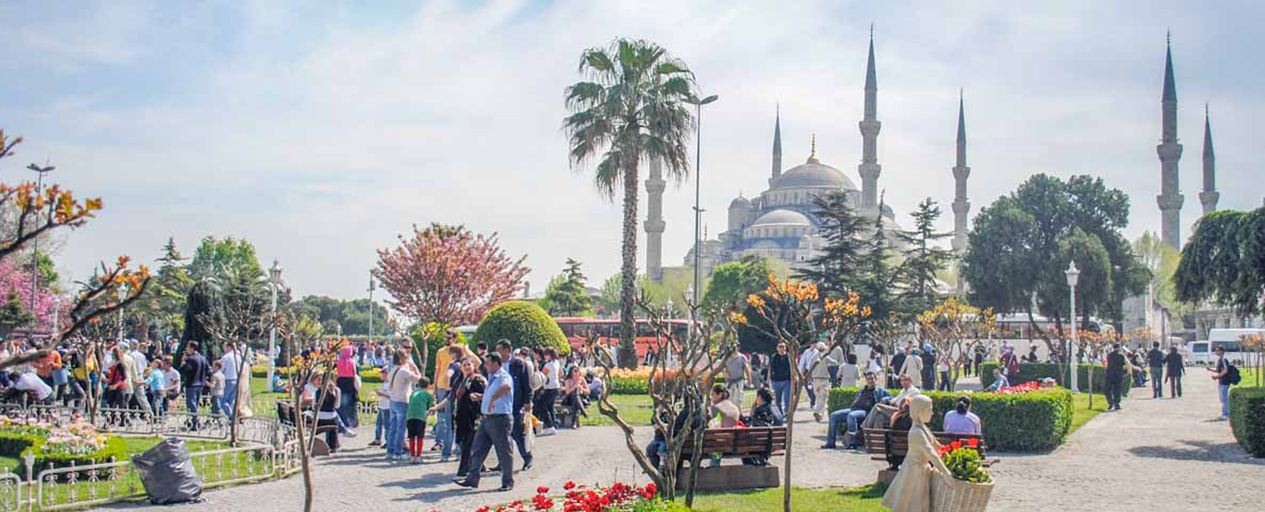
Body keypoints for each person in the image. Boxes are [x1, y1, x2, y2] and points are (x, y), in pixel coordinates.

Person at [453, 353, 515, 492]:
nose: (485, 366)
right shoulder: (491, 378)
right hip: (486, 419)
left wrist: (492, 398)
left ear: (496, 363)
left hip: (500, 418)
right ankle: (472, 478)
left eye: (487, 363)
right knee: (477, 448)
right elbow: (492, 393)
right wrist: (481, 397)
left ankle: (508, 481)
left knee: (503, 451)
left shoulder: (503, 376)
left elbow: (506, 388)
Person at [881, 395, 952, 512]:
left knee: (922, 503)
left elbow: (936, 445)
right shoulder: (916, 432)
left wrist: (950, 456)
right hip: (914, 471)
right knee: (915, 503)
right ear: (919, 412)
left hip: (922, 469)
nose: (932, 413)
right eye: (929, 410)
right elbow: (931, 453)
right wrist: (945, 471)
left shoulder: (923, 428)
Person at [491, 343, 534, 472]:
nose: (498, 353)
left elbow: (527, 384)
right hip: (501, 404)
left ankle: (527, 457)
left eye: (500, 350)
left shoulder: (519, 364)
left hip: (515, 403)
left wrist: (528, 401)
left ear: (507, 351)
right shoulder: (496, 365)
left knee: (517, 432)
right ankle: (503, 462)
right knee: (502, 435)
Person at [823, 371, 892, 450]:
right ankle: (830, 443)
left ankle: (852, 443)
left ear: (875, 379)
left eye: (872, 378)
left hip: (867, 412)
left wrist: (884, 399)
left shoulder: (880, 391)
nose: (870, 381)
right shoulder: (863, 390)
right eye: (868, 379)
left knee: (851, 416)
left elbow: (892, 397)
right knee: (833, 415)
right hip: (854, 409)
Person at [383, 349, 420, 461]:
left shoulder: (393, 369)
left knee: (392, 428)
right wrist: (415, 368)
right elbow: (418, 379)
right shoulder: (404, 371)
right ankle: (398, 452)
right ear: (402, 359)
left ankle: (390, 451)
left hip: (393, 401)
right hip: (402, 401)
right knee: (400, 429)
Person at [740, 387, 783, 466]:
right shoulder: (776, 408)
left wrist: (753, 408)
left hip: (763, 444)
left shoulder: (759, 410)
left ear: (759, 397)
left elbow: (751, 425)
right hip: (775, 443)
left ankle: (750, 467)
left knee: (743, 445)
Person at [179, 342, 210, 430]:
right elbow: (208, 370)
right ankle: (193, 420)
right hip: (201, 384)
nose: (186, 349)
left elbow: (185, 371)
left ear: (192, 348)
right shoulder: (203, 358)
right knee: (195, 404)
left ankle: (194, 422)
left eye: (187, 347)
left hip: (191, 383)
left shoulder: (191, 359)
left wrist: (183, 363)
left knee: (191, 404)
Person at [406, 377, 435, 463]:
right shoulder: (427, 395)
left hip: (410, 416)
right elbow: (432, 406)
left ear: (418, 385)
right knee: (420, 437)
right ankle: (418, 456)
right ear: (428, 386)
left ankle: (412, 456)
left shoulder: (413, 393)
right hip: (421, 417)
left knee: (411, 437)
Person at [314, 375, 342, 453]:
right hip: (331, 416)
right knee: (335, 421)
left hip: (320, 417)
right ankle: (334, 445)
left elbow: (314, 404)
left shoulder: (317, 390)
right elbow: (337, 405)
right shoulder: (336, 390)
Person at [809, 342, 835, 422]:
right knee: (823, 398)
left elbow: (810, 367)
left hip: (815, 379)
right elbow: (835, 363)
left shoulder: (813, 357)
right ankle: (817, 412)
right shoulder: (825, 357)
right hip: (824, 379)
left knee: (818, 398)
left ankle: (820, 416)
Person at [335, 345, 359, 428]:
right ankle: (353, 421)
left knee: (341, 405)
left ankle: (343, 422)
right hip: (351, 386)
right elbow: (356, 373)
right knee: (351, 405)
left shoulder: (338, 362)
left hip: (341, 384)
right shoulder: (353, 362)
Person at [1207, 345, 1232, 419]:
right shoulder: (1220, 360)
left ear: (1221, 351)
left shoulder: (1224, 359)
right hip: (1221, 381)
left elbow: (1225, 370)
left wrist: (1217, 376)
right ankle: (1225, 413)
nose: (1216, 352)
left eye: (1217, 350)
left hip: (1225, 381)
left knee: (1224, 398)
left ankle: (1226, 414)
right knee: (1222, 398)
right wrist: (1211, 370)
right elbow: (1219, 370)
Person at [723, 350, 751, 415]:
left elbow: (746, 369)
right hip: (729, 382)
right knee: (728, 400)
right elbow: (722, 367)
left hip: (739, 381)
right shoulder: (726, 357)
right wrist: (725, 373)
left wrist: (749, 380)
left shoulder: (742, 357)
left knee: (737, 400)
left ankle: (739, 416)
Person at [219, 342, 242, 420]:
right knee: (231, 400)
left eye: (224, 347)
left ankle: (231, 416)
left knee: (223, 401)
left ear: (229, 347)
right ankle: (232, 415)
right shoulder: (238, 357)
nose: (223, 349)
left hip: (228, 379)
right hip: (236, 379)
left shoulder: (226, 357)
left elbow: (221, 369)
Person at [768, 343, 792, 416]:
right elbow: (770, 368)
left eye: (783, 347)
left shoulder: (788, 356)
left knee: (787, 398)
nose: (781, 349)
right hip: (776, 380)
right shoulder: (774, 357)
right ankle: (779, 414)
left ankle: (787, 412)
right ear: (777, 348)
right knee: (778, 400)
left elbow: (792, 367)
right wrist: (769, 379)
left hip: (786, 380)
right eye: (780, 347)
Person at [1104, 343, 1127, 411]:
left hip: (1110, 374)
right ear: (1119, 347)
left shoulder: (1109, 355)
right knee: (1117, 389)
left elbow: (1108, 364)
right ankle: (1117, 403)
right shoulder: (1121, 356)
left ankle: (1110, 402)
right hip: (1118, 374)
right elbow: (1123, 364)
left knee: (1107, 389)